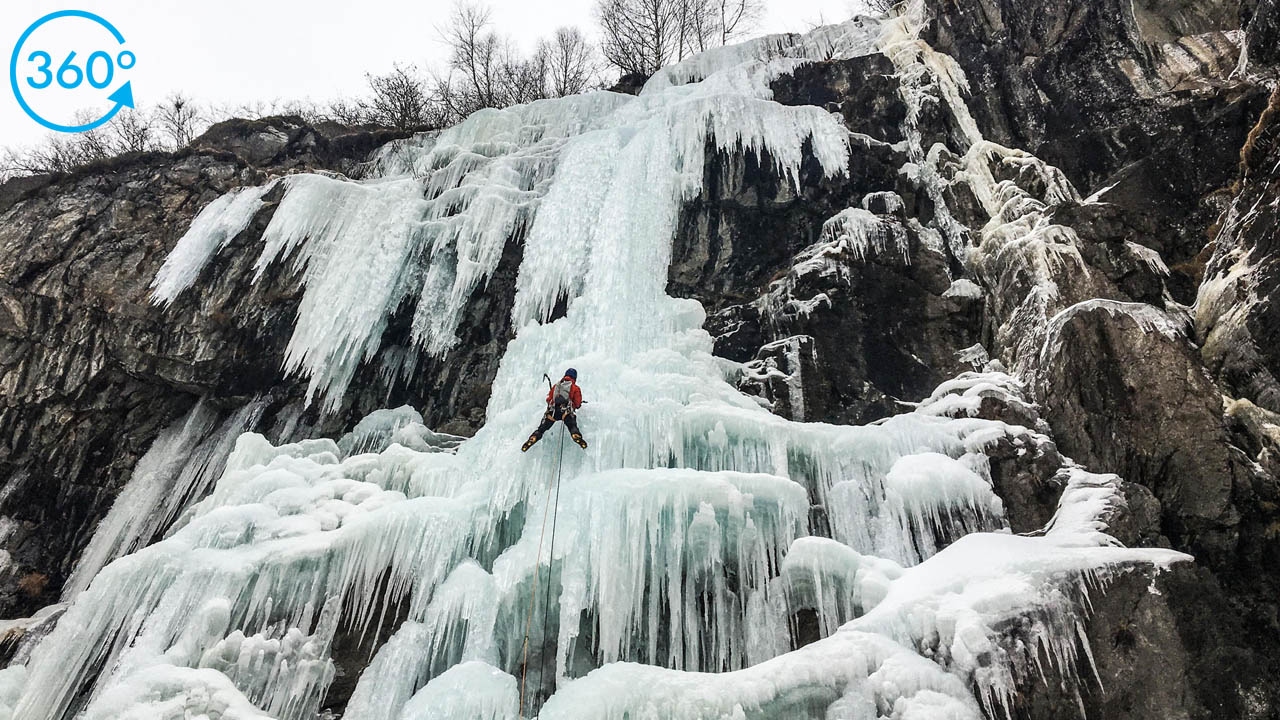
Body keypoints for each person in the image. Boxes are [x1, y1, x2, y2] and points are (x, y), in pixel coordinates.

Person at [522, 368, 588, 451]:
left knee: (541, 429)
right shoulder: (575, 387)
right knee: (572, 425)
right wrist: (575, 405)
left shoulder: (556, 386)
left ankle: (534, 436)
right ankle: (575, 434)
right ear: (575, 378)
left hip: (552, 412)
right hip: (565, 412)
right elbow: (577, 404)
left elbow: (549, 399)